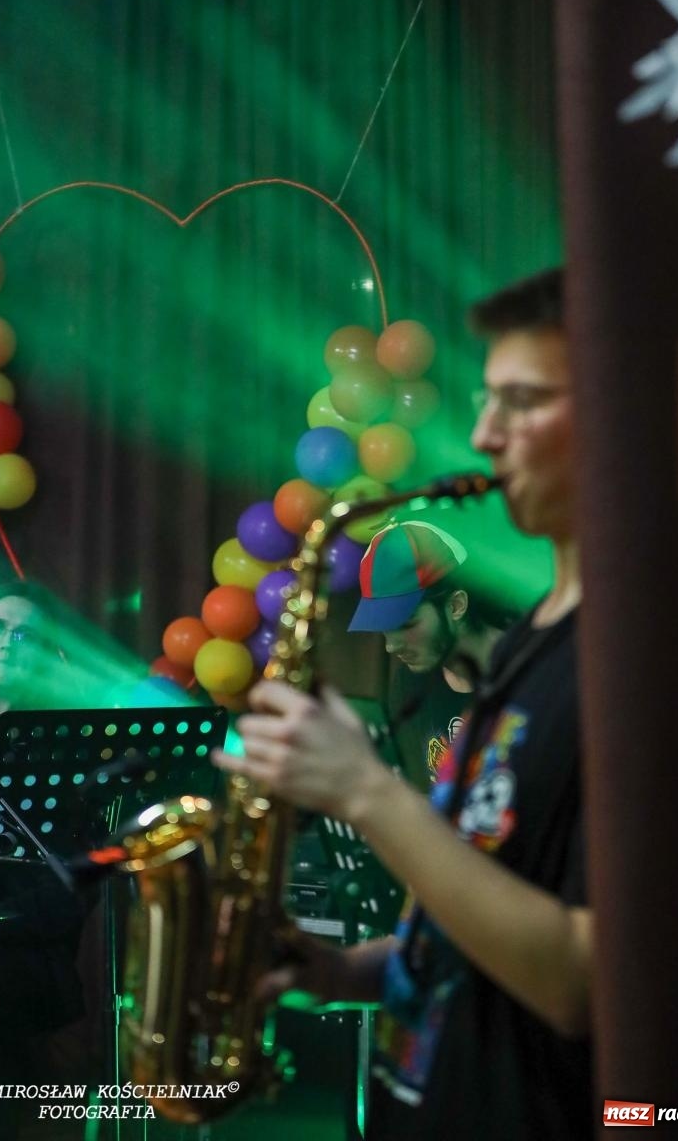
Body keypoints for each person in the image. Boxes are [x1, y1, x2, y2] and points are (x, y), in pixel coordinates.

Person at [214, 267, 593, 1139]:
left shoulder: (639, 667)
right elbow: (487, 927)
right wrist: (351, 970)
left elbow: (580, 982)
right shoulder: (535, 642)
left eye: (521, 402)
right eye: (485, 400)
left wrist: (367, 795)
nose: (481, 436)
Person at [0, 581, 94, 1137]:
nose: (7, 643)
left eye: (25, 635)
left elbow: (76, 883)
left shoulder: (65, 751)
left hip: (23, 953)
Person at [348, 519, 502, 787]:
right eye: (384, 629)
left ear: (456, 605)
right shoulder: (410, 688)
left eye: (406, 623)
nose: (391, 646)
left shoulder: (530, 672)